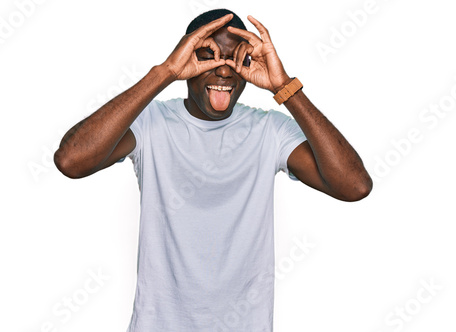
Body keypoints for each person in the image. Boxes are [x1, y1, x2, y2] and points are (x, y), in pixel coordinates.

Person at [54, 8, 372, 332]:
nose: (223, 71)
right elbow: (72, 161)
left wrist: (284, 85)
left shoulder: (269, 131)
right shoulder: (151, 124)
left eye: (236, 60)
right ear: (187, 58)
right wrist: (164, 72)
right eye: (209, 56)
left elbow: (355, 186)